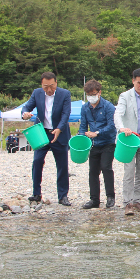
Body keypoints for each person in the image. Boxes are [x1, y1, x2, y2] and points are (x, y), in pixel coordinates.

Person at [22, 72, 72, 206]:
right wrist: (25, 113)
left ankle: (63, 196)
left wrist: (59, 128)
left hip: (59, 133)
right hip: (41, 133)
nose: (49, 90)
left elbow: (66, 113)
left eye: (51, 86)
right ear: (41, 85)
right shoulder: (37, 93)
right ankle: (36, 193)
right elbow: (27, 107)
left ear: (56, 83)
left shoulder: (64, 94)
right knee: (37, 161)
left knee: (62, 165)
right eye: (45, 87)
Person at [114, 68, 140, 215]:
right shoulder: (125, 96)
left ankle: (137, 200)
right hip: (129, 138)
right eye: (139, 83)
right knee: (129, 171)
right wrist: (122, 128)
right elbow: (118, 114)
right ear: (133, 81)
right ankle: (127, 203)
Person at [78, 80, 117, 210]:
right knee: (93, 171)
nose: (91, 97)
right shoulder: (85, 108)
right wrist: (81, 139)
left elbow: (112, 126)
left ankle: (110, 197)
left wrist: (97, 133)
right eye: (88, 94)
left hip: (108, 142)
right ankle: (94, 199)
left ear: (99, 92)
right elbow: (83, 126)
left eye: (93, 94)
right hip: (94, 144)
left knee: (106, 167)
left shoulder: (108, 106)